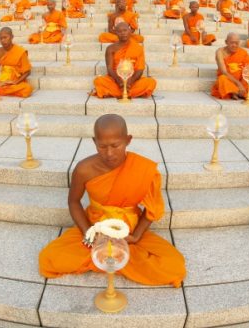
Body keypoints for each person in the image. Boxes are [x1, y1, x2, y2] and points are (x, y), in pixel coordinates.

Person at [39, 114, 186, 286]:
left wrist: (136, 236)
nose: (109, 153)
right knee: (49, 259)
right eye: (102, 146)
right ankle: (117, 259)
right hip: (95, 226)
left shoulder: (143, 168)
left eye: (116, 145)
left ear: (128, 140)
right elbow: (73, 202)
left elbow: (152, 208)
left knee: (173, 266)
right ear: (94, 141)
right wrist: (89, 234)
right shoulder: (84, 169)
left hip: (129, 229)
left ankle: (109, 259)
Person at [92, 22, 156, 99]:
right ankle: (128, 93)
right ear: (116, 33)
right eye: (119, 31)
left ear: (129, 31)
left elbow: (140, 69)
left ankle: (119, 93)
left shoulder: (138, 48)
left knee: (151, 82)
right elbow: (110, 68)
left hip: (132, 80)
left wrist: (130, 82)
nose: (123, 33)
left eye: (125, 30)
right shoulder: (110, 48)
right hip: (116, 80)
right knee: (99, 81)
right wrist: (119, 81)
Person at [211, 33, 249, 101]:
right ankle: (244, 94)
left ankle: (236, 92)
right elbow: (224, 72)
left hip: (242, 82)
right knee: (222, 79)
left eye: (236, 43)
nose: (234, 45)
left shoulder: (243, 52)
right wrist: (238, 84)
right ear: (226, 42)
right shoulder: (220, 52)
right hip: (229, 80)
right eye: (232, 43)